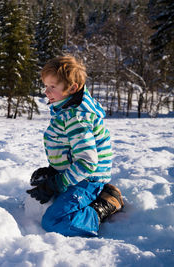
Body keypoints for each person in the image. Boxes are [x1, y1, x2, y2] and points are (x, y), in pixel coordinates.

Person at [26, 55, 124, 237]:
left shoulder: (77, 118)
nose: (46, 92)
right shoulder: (65, 110)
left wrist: (57, 183)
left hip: (88, 178)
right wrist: (54, 170)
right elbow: (69, 146)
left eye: (52, 87)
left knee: (54, 221)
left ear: (72, 88)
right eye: (45, 86)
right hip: (77, 173)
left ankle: (105, 204)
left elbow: (87, 163)